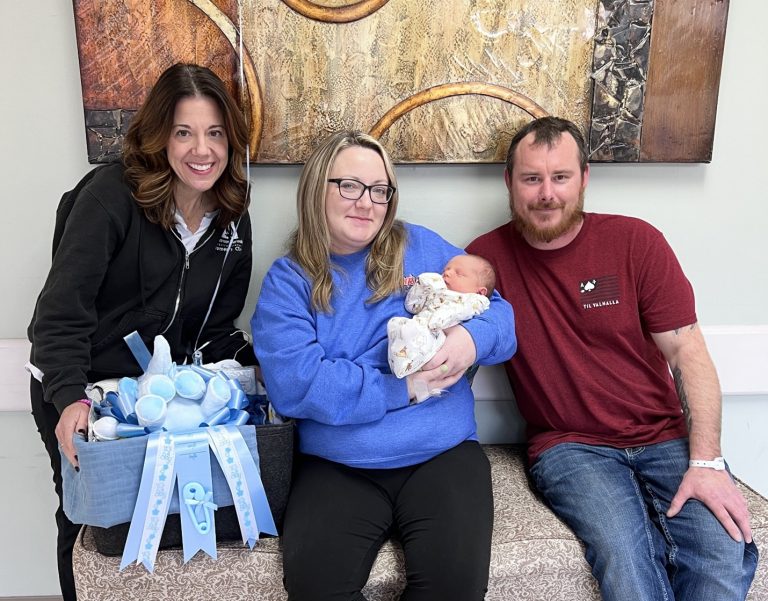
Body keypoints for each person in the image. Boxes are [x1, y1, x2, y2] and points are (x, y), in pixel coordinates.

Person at [466, 116, 759, 600]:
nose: (547, 194)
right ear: (509, 183)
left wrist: (707, 460)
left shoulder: (636, 242)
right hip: (570, 447)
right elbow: (445, 322)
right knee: (624, 554)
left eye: (560, 177)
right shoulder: (485, 261)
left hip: (666, 438)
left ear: (583, 178)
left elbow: (688, 352)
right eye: (531, 178)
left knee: (723, 549)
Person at [251, 131, 516, 600]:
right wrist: (406, 387)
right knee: (317, 591)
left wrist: (469, 343)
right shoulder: (289, 281)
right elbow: (298, 385)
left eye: (379, 190)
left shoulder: (421, 247)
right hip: (338, 464)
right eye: (349, 185)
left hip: (443, 454)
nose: (366, 203)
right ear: (317, 187)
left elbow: (499, 316)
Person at [27, 63, 256, 601]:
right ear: (160, 136)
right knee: (88, 520)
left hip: (153, 394)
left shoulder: (233, 215)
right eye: (184, 132)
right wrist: (67, 399)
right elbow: (59, 314)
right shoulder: (110, 198)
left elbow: (215, 329)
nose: (202, 150)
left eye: (215, 133)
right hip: (77, 381)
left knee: (164, 526)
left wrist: (267, 366)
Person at [387, 254, 495, 381]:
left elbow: (459, 312)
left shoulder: (474, 300)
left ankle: (413, 373)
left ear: (480, 292)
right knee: (398, 326)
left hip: (440, 337)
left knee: (416, 337)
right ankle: (403, 371)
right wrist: (422, 286)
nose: (447, 273)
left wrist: (439, 319)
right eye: (446, 270)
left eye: (459, 274)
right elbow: (412, 307)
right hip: (422, 328)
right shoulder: (438, 292)